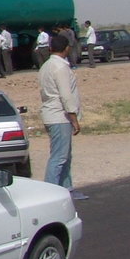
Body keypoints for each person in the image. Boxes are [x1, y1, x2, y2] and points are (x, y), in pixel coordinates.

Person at [38, 34, 81, 191]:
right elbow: (66, 95)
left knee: (65, 156)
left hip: (51, 114)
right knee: (59, 157)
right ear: (67, 48)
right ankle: (51, 192)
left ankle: (67, 188)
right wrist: (74, 119)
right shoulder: (60, 67)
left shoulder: (47, 66)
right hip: (59, 116)